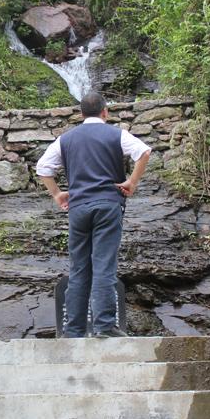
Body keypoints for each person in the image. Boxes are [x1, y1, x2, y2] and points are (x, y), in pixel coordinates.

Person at [35, 91, 151, 338]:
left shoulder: (66, 139)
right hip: (108, 206)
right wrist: (131, 181)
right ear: (105, 112)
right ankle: (104, 325)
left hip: (78, 209)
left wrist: (57, 194)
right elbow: (143, 152)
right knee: (103, 266)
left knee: (79, 268)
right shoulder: (116, 134)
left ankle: (73, 330)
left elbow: (43, 168)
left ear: (81, 114)